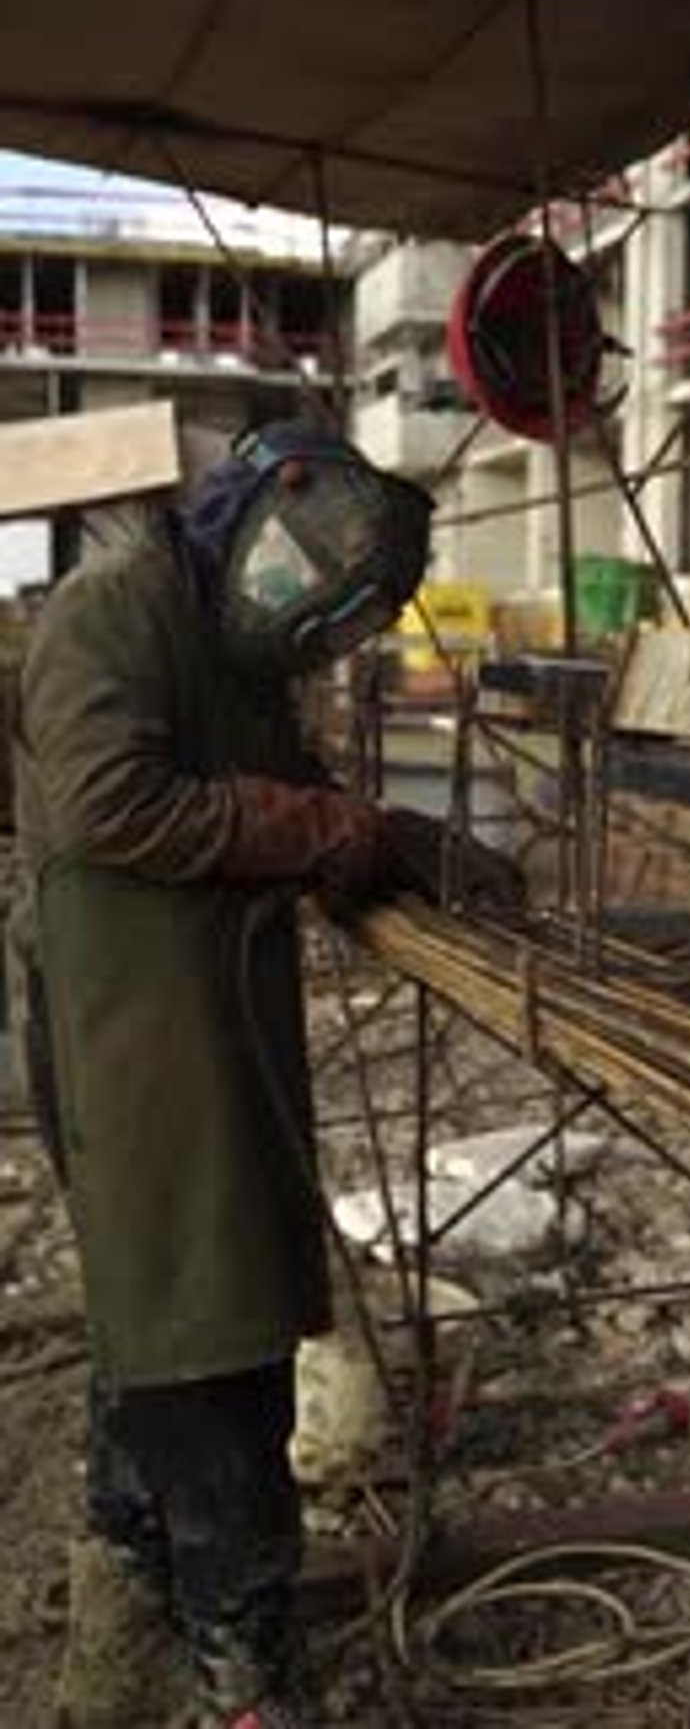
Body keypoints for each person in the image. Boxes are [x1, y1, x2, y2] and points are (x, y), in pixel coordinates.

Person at [13, 420, 498, 1728]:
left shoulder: (237, 653)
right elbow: (109, 803)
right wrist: (327, 826)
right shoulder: (116, 609)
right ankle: (244, 1669)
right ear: (258, 509)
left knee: (171, 1316)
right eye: (313, 592)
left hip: (206, 1020)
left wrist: (391, 838)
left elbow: (287, 788)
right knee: (203, 1334)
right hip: (130, 1029)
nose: (310, 628)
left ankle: (124, 1614)